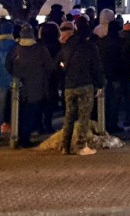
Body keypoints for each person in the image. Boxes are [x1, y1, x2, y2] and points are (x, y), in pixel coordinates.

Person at [55, 16, 105, 155]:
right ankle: (81, 145)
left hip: (69, 86)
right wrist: (99, 84)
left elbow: (56, 66)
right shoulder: (89, 47)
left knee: (69, 116)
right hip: (85, 84)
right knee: (83, 116)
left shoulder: (65, 48)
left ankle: (65, 146)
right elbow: (96, 67)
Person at [6, 24, 54, 148]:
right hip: (36, 85)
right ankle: (25, 139)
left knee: (20, 112)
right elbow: (49, 67)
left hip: (20, 86)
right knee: (31, 112)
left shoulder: (15, 50)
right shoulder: (41, 50)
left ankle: (20, 136)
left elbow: (8, 65)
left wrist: (16, 75)